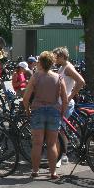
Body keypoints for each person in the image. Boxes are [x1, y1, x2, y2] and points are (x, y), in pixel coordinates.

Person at [22, 51, 68, 179]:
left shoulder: (35, 76)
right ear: (53, 62)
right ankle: (52, 172)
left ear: (41, 62)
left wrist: (27, 110)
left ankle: (35, 171)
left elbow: (26, 98)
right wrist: (62, 112)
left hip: (38, 110)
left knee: (37, 143)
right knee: (52, 143)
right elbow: (64, 99)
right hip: (54, 111)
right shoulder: (58, 77)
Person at [53, 46, 85, 167]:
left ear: (62, 56)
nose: (54, 58)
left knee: (61, 130)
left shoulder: (68, 68)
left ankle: (62, 156)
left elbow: (81, 81)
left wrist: (70, 96)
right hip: (60, 102)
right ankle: (62, 155)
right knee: (60, 129)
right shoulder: (62, 67)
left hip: (64, 103)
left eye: (56, 56)